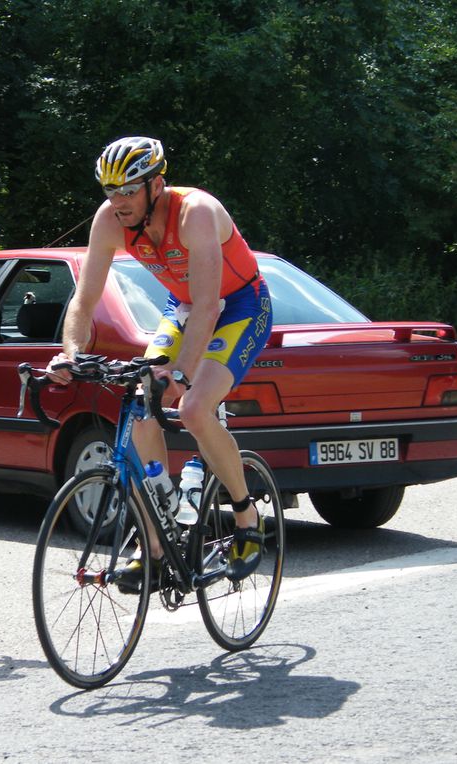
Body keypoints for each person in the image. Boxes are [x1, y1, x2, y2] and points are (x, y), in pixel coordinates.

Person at [49, 136, 273, 583]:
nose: (118, 202)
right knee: (139, 405)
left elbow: (212, 306)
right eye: (110, 192)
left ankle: (247, 516)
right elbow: (85, 298)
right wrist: (71, 353)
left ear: (157, 185)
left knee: (191, 407)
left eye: (129, 190)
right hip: (184, 306)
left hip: (240, 305)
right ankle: (153, 542)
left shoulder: (197, 213)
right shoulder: (110, 220)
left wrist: (182, 374)